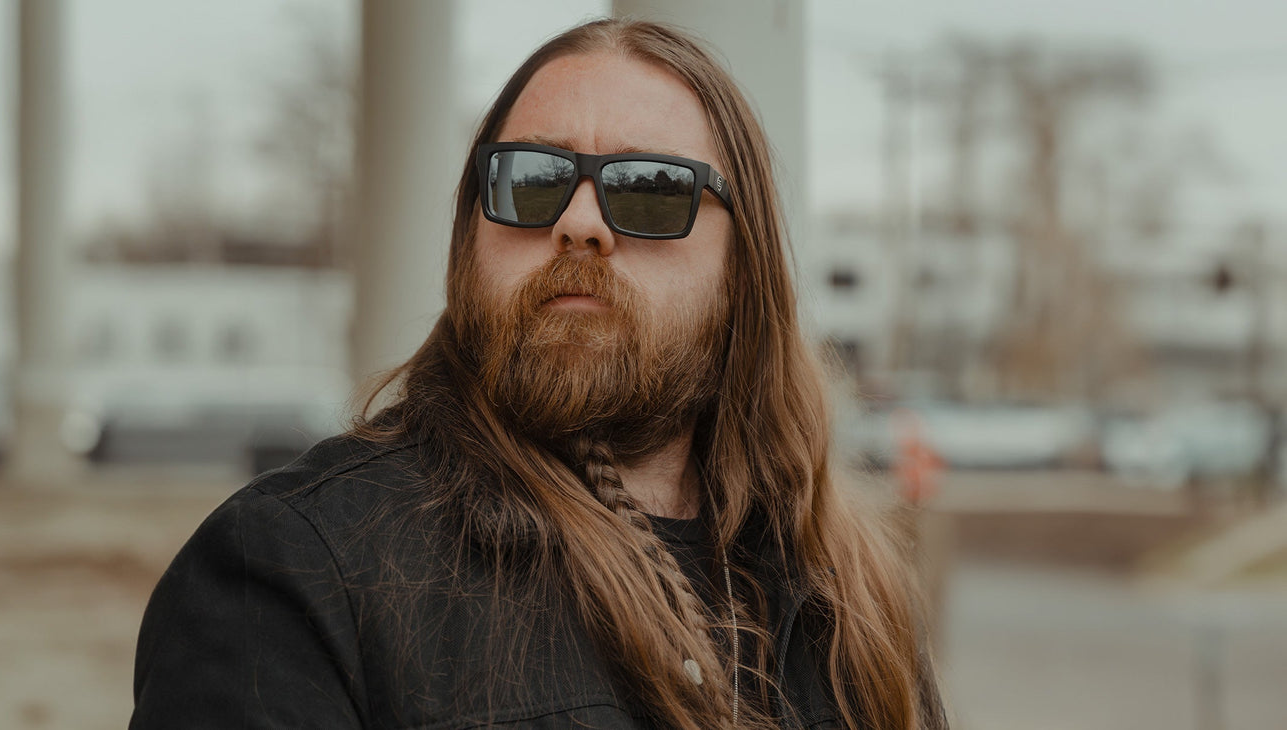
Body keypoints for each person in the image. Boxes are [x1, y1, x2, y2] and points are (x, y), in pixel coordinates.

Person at [130, 18, 948, 730]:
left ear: (745, 265)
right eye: (532, 180)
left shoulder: (844, 597)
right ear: (469, 237)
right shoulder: (293, 573)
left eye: (651, 189)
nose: (579, 223)